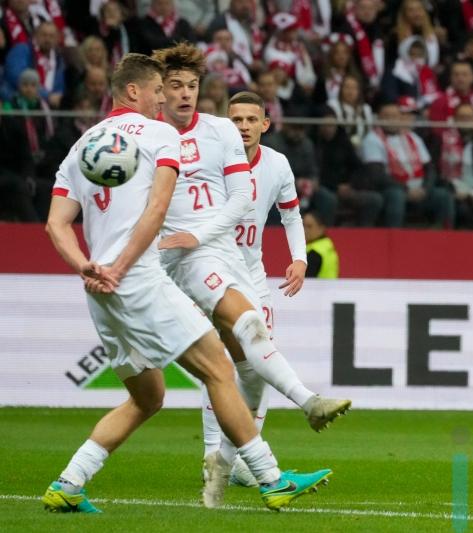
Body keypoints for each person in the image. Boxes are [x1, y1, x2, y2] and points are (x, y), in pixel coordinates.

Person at [40, 52, 330, 514]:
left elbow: (56, 224)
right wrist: (122, 268)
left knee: (147, 397)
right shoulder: (160, 135)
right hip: (137, 279)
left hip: (99, 290)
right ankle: (271, 478)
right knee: (220, 369)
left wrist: (88, 267)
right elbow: (159, 208)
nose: (163, 99)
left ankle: (69, 483)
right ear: (133, 91)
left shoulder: (82, 146)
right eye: (158, 90)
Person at [151, 44, 349, 508]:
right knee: (221, 361)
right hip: (200, 263)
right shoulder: (206, 144)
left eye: (249, 120)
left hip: (249, 270)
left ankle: (236, 460)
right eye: (235, 118)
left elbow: (292, 215)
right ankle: (223, 449)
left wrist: (298, 258)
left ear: (265, 124)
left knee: (251, 364)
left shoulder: (276, 164)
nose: (241, 126)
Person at [304, 210, 340, 278]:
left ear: (321, 228)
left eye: (309, 226)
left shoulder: (314, 253)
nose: (305, 230)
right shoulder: (327, 246)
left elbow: (305, 281)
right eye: (303, 225)